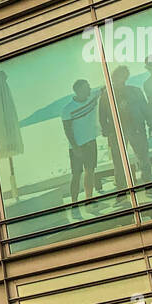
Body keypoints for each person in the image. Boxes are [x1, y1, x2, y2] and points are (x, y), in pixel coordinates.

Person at [61, 79, 99, 217]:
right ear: (78, 91)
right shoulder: (67, 110)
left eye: (89, 86)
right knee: (76, 175)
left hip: (91, 142)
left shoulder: (93, 96)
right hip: (76, 147)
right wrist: (75, 147)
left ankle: (89, 201)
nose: (89, 89)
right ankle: (74, 204)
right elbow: (67, 130)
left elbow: (105, 89)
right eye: (86, 87)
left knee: (90, 171)